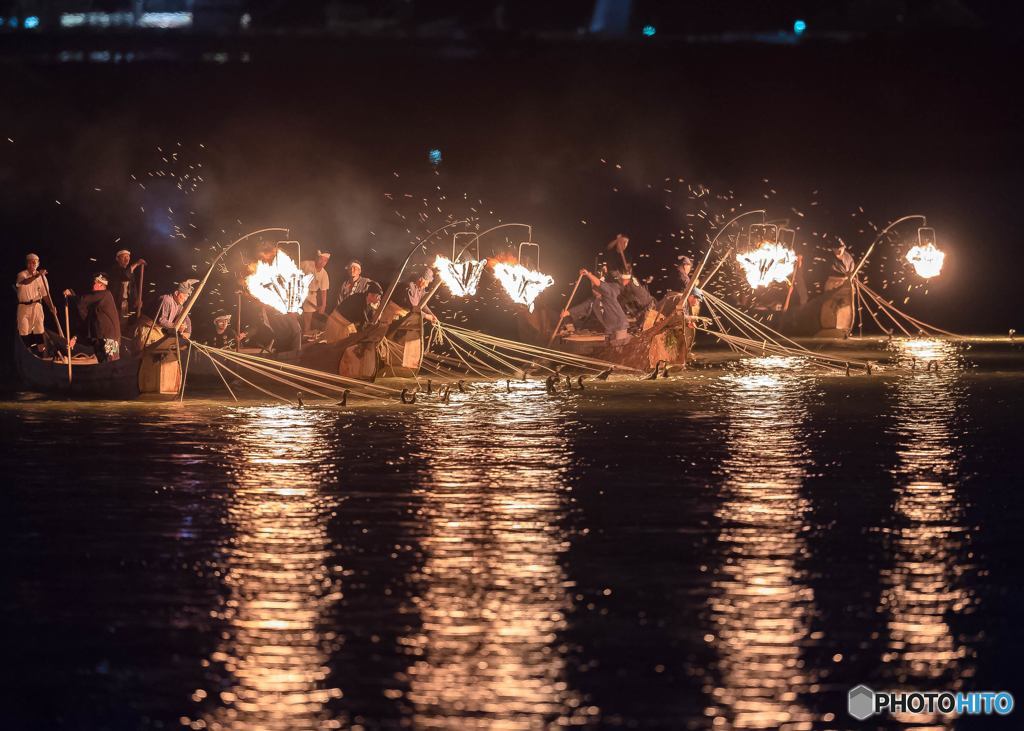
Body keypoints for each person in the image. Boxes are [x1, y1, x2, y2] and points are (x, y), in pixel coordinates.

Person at [560, 268, 630, 343]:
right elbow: (583, 307)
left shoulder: (609, 292)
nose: (594, 290)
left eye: (596, 288)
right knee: (612, 347)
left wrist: (588, 275)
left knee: (618, 346)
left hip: (619, 326)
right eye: (593, 288)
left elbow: (600, 284)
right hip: (609, 329)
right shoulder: (594, 300)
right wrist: (568, 312)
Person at [64, 273, 121, 362]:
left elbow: (82, 301)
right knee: (102, 364)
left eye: (95, 283)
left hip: (109, 339)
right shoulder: (95, 305)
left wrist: (71, 295)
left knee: (110, 364)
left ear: (101, 284)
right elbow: (87, 321)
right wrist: (75, 338)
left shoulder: (105, 294)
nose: (93, 285)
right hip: (99, 339)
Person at [15, 253, 52, 350]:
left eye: (34, 263)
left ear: (38, 264)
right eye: (30, 263)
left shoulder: (42, 277)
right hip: (24, 307)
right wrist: (38, 275)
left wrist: (51, 306)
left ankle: (42, 353)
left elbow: (45, 294)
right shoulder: (22, 274)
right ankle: (26, 353)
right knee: (24, 332)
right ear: (27, 264)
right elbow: (25, 282)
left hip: (37, 306)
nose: (32, 265)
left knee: (39, 330)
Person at [108, 249, 146, 319]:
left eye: (128, 256)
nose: (126, 259)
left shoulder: (130, 272)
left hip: (125, 303)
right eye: (124, 257)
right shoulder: (115, 270)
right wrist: (136, 264)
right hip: (114, 303)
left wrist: (137, 299)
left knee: (124, 322)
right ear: (117, 259)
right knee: (115, 322)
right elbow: (125, 276)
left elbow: (133, 288)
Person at [302, 250, 331, 333]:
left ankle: (305, 335)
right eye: (321, 259)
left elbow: (324, 291)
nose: (323, 262)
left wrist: (323, 305)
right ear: (316, 258)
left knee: (307, 322)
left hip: (310, 296)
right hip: (298, 293)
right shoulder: (306, 264)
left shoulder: (324, 274)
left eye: (325, 260)